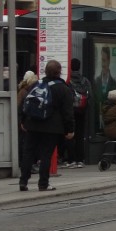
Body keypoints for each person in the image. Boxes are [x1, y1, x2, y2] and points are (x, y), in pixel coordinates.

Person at [17, 58, 74, 192]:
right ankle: (43, 183)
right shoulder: (63, 88)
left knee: (28, 153)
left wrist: (23, 121)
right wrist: (70, 129)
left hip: (33, 124)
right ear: (59, 72)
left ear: (45, 71)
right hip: (52, 127)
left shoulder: (37, 84)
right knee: (46, 155)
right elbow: (68, 112)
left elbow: (26, 103)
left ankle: (23, 181)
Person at [64, 58, 93, 168]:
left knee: (70, 134)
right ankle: (80, 159)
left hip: (70, 111)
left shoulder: (67, 80)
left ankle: (71, 159)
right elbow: (90, 95)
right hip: (82, 111)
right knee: (80, 136)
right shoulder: (85, 80)